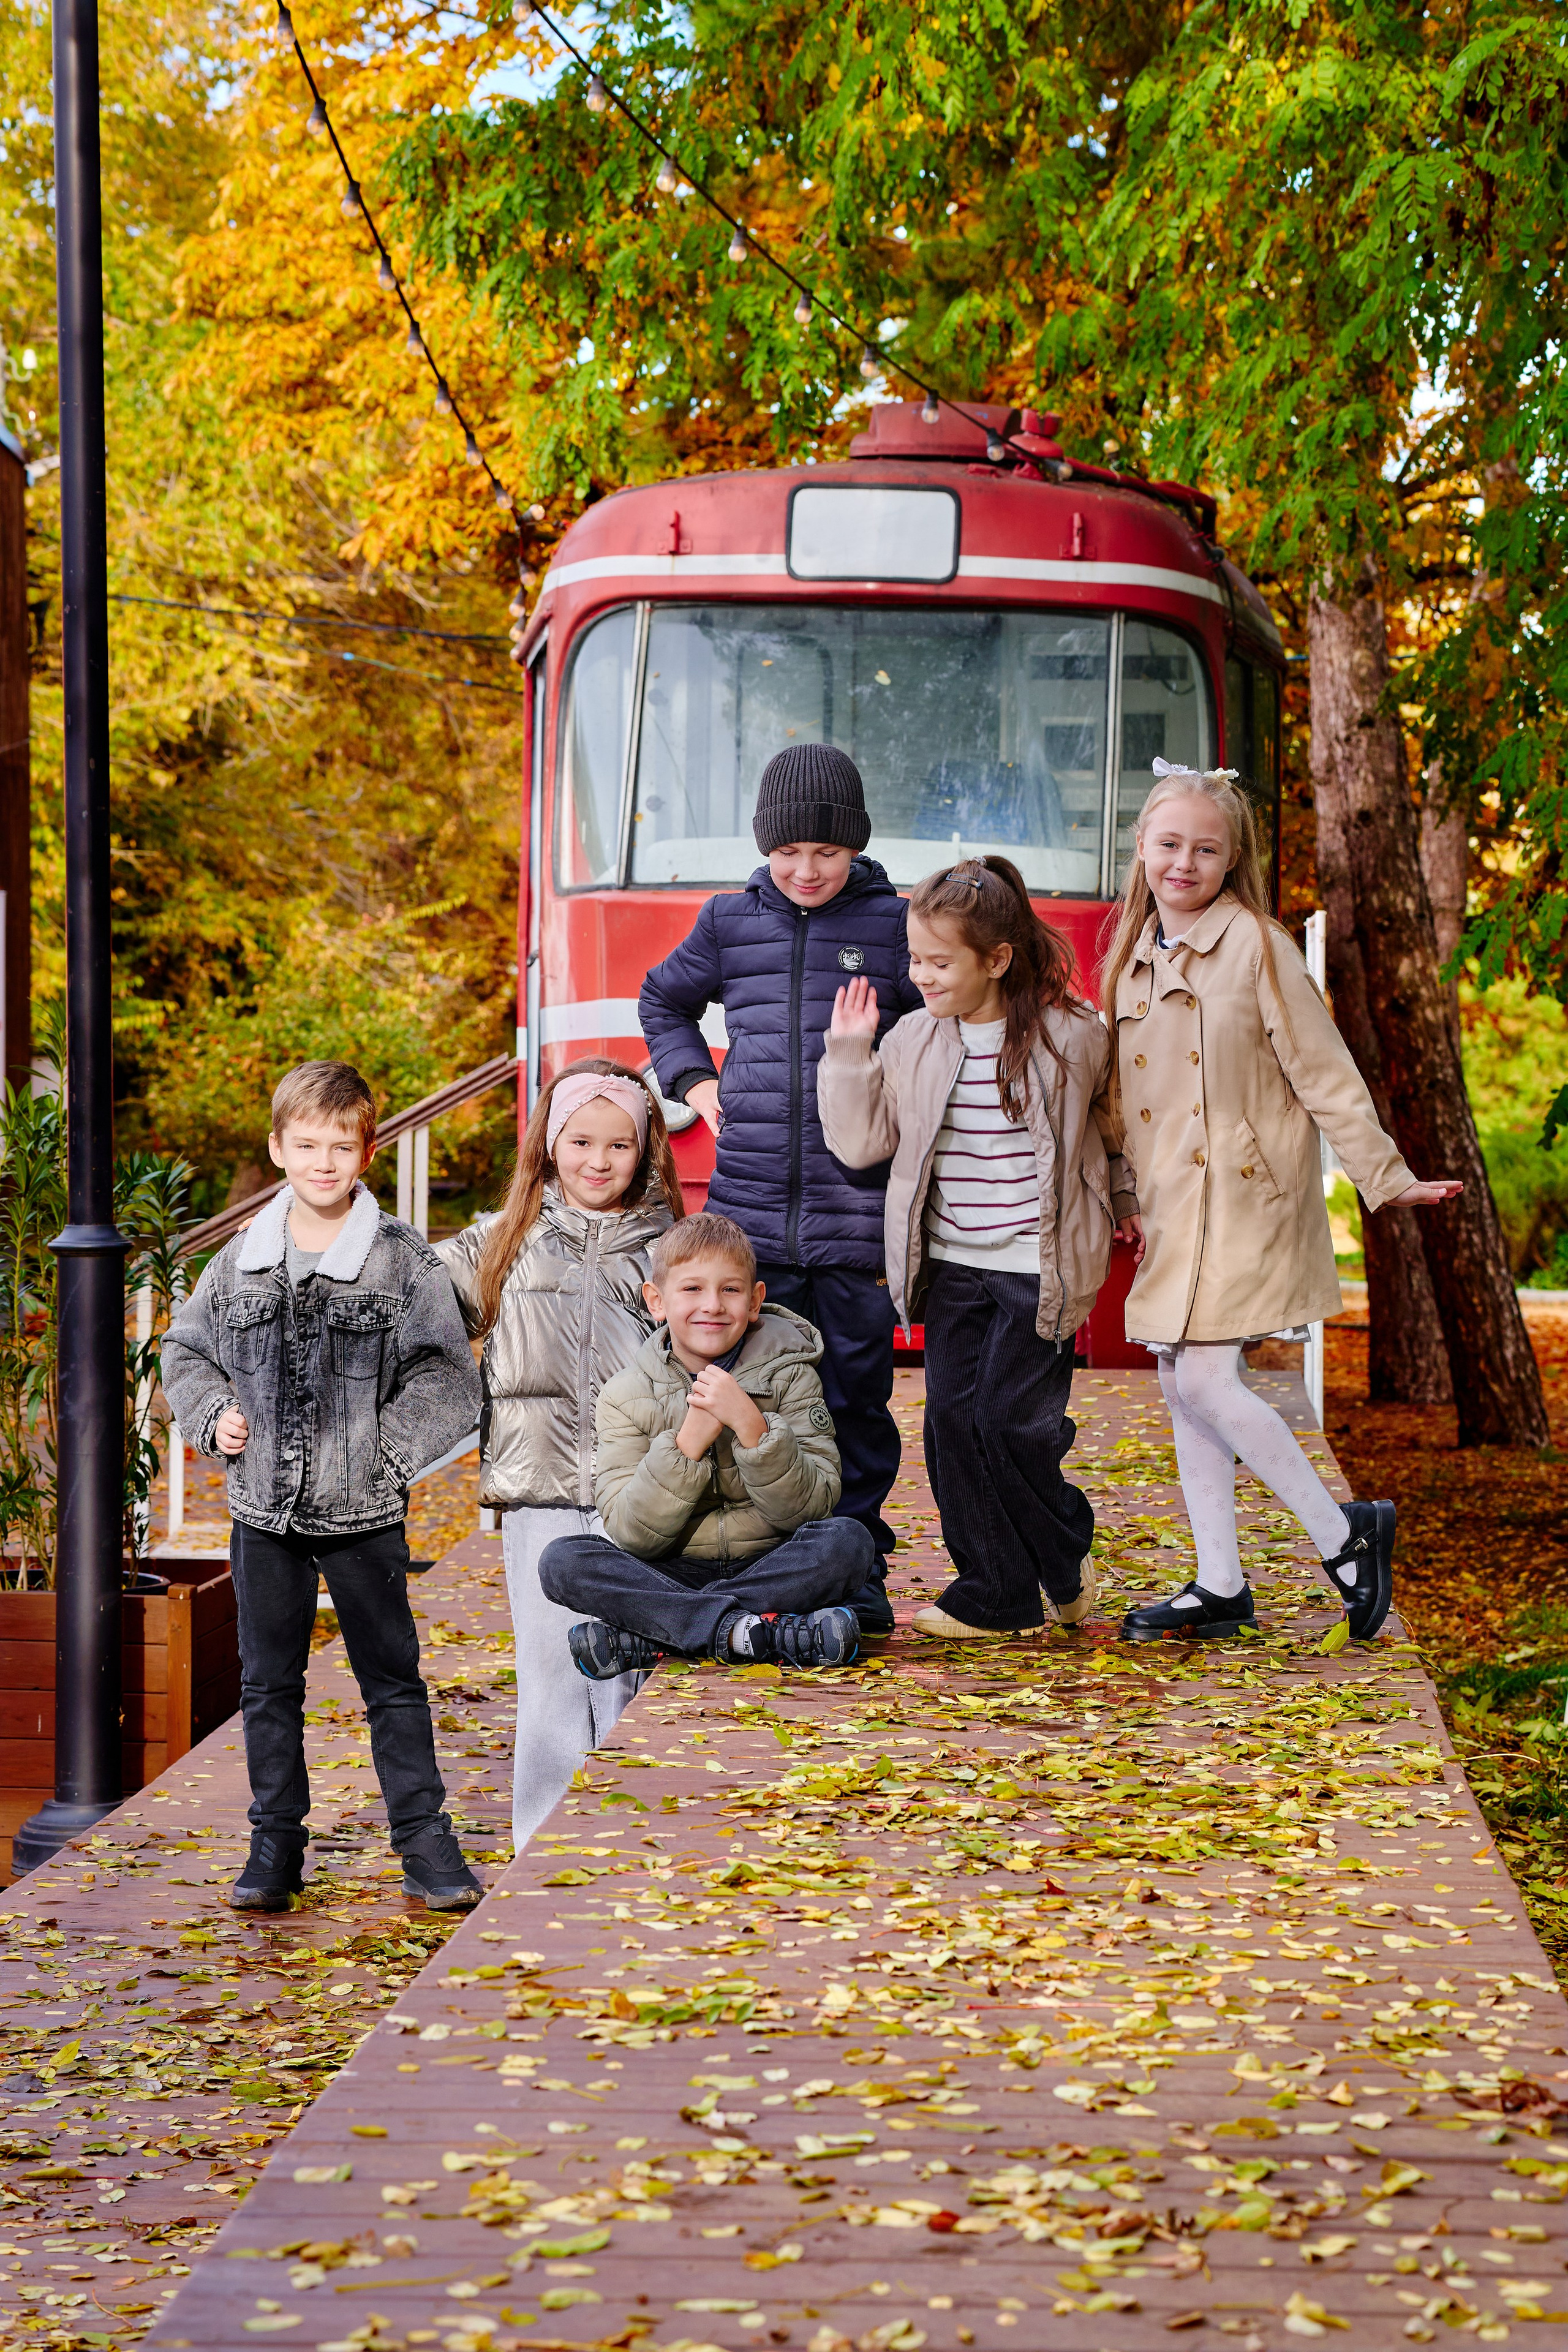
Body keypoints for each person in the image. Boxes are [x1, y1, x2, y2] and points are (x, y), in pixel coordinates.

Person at [1102, 760, 1463, 1643]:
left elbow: (1325, 1071)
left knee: (1205, 1376)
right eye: (1169, 844)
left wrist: (1386, 1176)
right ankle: (1220, 1583)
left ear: (1234, 861)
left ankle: (1344, 1536)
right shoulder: (1129, 958)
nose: (1183, 863)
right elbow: (1113, 1099)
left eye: (1206, 849)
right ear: (1143, 846)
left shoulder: (1257, 944)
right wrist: (1120, 1188)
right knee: (1180, 1384)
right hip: (1175, 1205)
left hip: (1247, 1195)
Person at [160, 1060, 484, 1912]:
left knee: (391, 1679)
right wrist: (212, 1414)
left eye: (341, 1146)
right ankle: (276, 1847)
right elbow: (183, 1351)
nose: (324, 1162)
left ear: (367, 1151)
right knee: (269, 1684)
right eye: (306, 1145)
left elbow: (448, 1379)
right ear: (277, 1148)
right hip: (263, 1510)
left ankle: (424, 1842)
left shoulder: (399, 1262)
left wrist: (386, 1452)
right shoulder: (240, 1262)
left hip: (364, 1511)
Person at [638, 742, 925, 1635]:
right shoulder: (729, 921)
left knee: (853, 1397)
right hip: (751, 1215)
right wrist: (694, 1083)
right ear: (765, 845)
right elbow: (663, 1000)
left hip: (854, 1211)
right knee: (753, 1393)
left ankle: (860, 1561)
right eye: (789, 852)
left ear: (856, 849)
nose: (806, 870)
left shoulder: (895, 925)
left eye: (827, 854)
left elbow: (939, 1030)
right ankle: (765, 1563)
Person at [818, 854, 1136, 1637]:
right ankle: (996, 1590)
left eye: (939, 962)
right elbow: (861, 1146)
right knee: (952, 1430)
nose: (919, 975)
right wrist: (849, 1052)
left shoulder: (1073, 1038)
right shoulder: (910, 1041)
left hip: (1040, 1266)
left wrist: (1127, 1202)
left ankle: (1062, 1554)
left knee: (1009, 1425)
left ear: (996, 959)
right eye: (914, 958)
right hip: (954, 1264)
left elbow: (1113, 1132)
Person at [436, 1060, 682, 1852]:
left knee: (622, 1672)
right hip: (538, 1493)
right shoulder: (506, 1239)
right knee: (549, 1677)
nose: (598, 1161)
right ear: (548, 1143)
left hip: (634, 1498)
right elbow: (404, 1291)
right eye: (580, 1141)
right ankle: (539, 1850)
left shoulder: (669, 1249)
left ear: (645, 1153)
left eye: (619, 1145)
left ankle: (622, 1840)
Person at [537, 1212, 872, 1673]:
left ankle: (667, 1633)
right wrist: (687, 1444)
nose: (712, 1305)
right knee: (564, 1562)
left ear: (755, 1301)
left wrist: (753, 1428)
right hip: (673, 1568)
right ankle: (761, 1633)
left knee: (847, 1542)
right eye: (692, 1289)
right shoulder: (624, 1394)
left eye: (730, 1289)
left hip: (771, 1562)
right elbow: (633, 1534)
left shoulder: (792, 1376)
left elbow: (812, 1510)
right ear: (657, 1301)